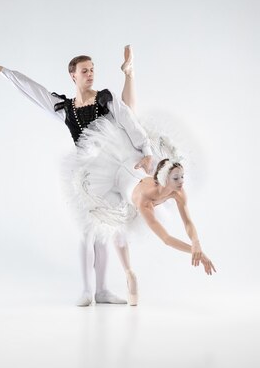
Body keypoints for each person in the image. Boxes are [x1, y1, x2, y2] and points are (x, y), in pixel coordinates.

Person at [0, 46, 152, 306]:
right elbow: (34, 91)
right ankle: (86, 289)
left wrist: (146, 150)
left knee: (106, 231)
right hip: (88, 177)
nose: (90, 74)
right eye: (85, 71)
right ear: (73, 76)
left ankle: (102, 290)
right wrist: (2, 71)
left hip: (113, 170)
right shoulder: (64, 107)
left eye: (92, 70)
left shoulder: (106, 98)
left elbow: (129, 121)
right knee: (87, 232)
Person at [71, 111, 217, 306]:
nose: (182, 182)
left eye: (182, 177)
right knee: (119, 233)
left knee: (122, 233)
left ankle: (129, 84)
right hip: (116, 180)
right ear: (165, 180)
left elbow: (188, 222)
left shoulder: (178, 191)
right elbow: (166, 239)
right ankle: (129, 273)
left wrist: (196, 241)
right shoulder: (144, 202)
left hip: (134, 163)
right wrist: (195, 252)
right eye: (176, 178)